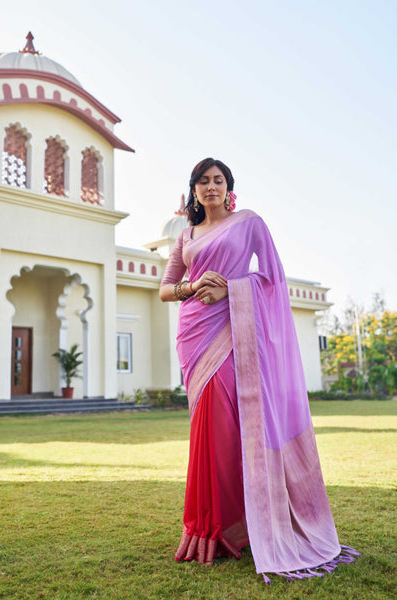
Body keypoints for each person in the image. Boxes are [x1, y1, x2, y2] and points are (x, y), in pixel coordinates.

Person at [159, 158, 359, 582]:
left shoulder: (249, 222)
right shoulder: (186, 235)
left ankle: (241, 525)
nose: (210, 186)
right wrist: (194, 286)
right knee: (207, 432)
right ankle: (210, 528)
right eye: (203, 181)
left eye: (218, 180)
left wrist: (230, 289)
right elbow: (165, 289)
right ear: (194, 191)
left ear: (229, 188)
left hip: (235, 333)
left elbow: (271, 279)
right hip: (195, 336)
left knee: (231, 427)